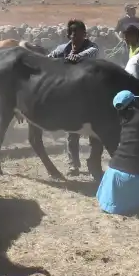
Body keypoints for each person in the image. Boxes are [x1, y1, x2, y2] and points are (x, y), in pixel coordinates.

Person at [48, 20, 98, 174]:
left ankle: (94, 162)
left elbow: (89, 53)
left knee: (95, 132)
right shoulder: (63, 49)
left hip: (91, 95)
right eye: (73, 34)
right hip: (72, 96)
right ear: (69, 35)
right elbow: (48, 58)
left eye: (79, 33)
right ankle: (73, 165)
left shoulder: (92, 47)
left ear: (85, 34)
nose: (75, 37)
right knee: (72, 132)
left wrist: (76, 57)